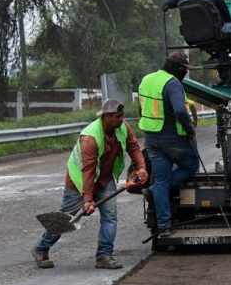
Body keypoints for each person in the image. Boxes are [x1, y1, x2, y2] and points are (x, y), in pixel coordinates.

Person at [31, 99, 147, 270]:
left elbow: (134, 147)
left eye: (122, 116)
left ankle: (104, 256)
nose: (121, 119)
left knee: (110, 217)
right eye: (117, 117)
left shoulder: (123, 127)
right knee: (67, 219)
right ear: (106, 117)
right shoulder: (90, 138)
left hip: (105, 180)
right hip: (79, 182)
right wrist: (87, 200)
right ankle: (41, 248)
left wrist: (142, 167)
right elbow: (88, 171)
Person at [138, 51, 199, 239]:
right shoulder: (173, 83)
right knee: (191, 165)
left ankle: (164, 226)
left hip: (151, 137)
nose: (185, 73)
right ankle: (156, 191)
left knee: (161, 181)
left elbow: (142, 107)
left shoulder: (147, 79)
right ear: (179, 68)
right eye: (185, 70)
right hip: (171, 137)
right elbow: (180, 110)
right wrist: (189, 128)